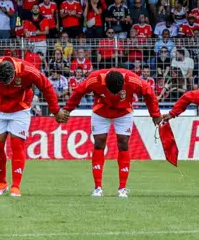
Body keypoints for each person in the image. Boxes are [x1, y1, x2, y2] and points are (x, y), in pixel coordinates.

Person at [0, 56, 60, 197]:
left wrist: (55, 111)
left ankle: (16, 186)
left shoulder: (28, 70)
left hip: (20, 109)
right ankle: (2, 183)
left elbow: (46, 86)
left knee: (17, 144)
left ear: (14, 73)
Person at [56, 68, 160, 198]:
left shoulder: (132, 79)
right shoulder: (95, 79)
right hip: (101, 111)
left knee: (123, 143)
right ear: (105, 84)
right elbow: (78, 91)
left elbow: (149, 92)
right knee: (99, 143)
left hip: (124, 112)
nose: (115, 94)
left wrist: (155, 114)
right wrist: (67, 110)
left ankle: (122, 188)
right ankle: (98, 187)